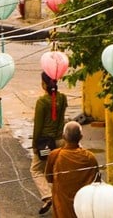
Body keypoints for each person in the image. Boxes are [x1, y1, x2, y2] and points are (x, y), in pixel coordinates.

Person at [31, 72, 68, 214]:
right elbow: (62, 118)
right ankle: (60, 198)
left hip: (45, 143)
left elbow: (38, 126)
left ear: (43, 84)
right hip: (60, 140)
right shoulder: (63, 98)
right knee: (55, 170)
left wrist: (35, 145)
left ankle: (47, 196)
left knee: (36, 169)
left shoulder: (42, 101)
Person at [45, 121, 98, 218]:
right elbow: (96, 181)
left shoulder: (55, 155)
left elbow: (49, 178)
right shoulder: (90, 157)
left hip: (62, 208)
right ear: (81, 137)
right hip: (83, 207)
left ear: (63, 136)